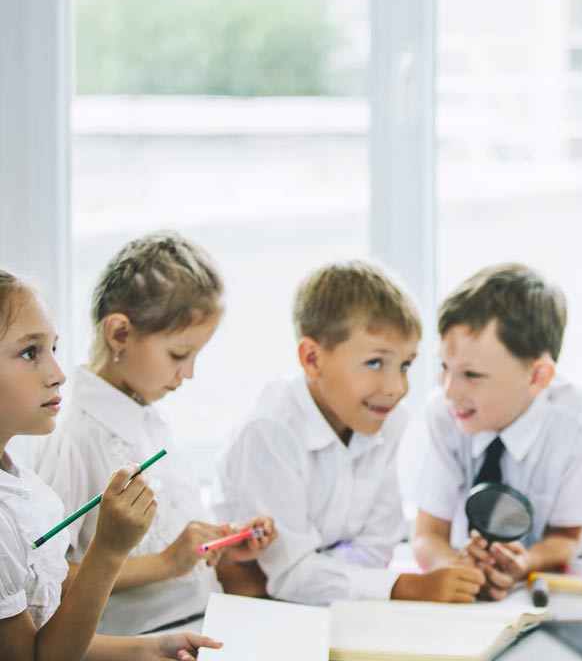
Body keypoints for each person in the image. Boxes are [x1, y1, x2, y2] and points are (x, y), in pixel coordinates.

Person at [36, 232, 276, 635]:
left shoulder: (154, 424)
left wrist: (218, 547)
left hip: (202, 623)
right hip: (139, 642)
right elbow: (44, 580)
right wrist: (166, 562)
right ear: (120, 334)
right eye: (179, 355)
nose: (190, 373)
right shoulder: (74, 439)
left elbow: (178, 549)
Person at [213, 261, 485, 604]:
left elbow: (375, 548)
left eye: (405, 365)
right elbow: (291, 574)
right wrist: (404, 587)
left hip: (329, 606)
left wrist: (330, 575)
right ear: (312, 359)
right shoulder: (268, 431)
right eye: (375, 363)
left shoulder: (391, 421)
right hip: (252, 610)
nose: (396, 387)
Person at [0, 269, 221, 660]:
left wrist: (146, 651)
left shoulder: (20, 482)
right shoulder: (69, 440)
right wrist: (111, 548)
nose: (58, 374)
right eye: (30, 352)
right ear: (118, 333)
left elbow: (40, 631)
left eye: (54, 348)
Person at [410, 263, 582, 600]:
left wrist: (525, 562)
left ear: (537, 377)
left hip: (567, 586)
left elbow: (566, 540)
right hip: (484, 593)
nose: (449, 390)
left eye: (471, 375)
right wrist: (458, 571)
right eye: (444, 367)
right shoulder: (442, 415)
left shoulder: (580, 422)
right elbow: (427, 535)